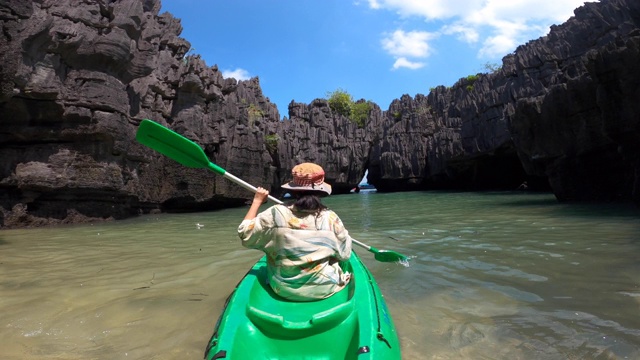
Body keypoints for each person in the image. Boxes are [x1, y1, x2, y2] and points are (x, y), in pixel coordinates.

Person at [238, 163, 353, 301]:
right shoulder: (331, 218)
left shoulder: (276, 212)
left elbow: (245, 233)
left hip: (281, 289)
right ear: (320, 190)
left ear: (294, 190)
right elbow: (345, 255)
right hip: (323, 289)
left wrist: (257, 201)